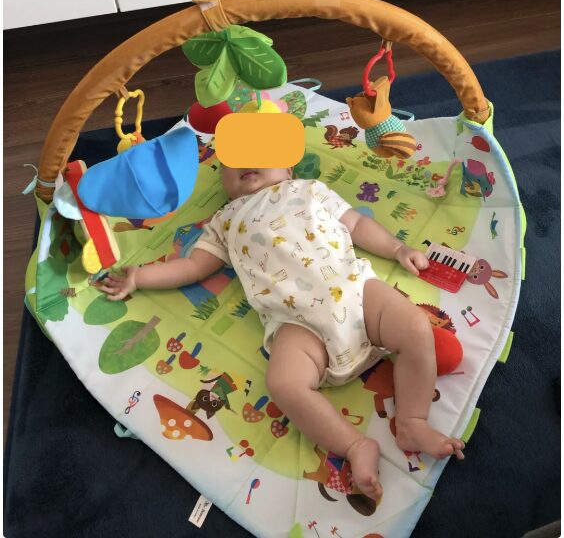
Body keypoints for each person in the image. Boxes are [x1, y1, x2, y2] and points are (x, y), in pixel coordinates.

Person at [101, 167, 465, 500]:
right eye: (233, 160)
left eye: (261, 151)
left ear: (287, 166)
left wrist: (398, 248)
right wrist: (140, 277)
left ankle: (412, 421)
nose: (247, 162)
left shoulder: (308, 189)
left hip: (354, 290)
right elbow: (194, 266)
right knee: (284, 384)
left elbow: (355, 224)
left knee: (415, 326)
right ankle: (354, 445)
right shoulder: (224, 220)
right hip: (295, 321)